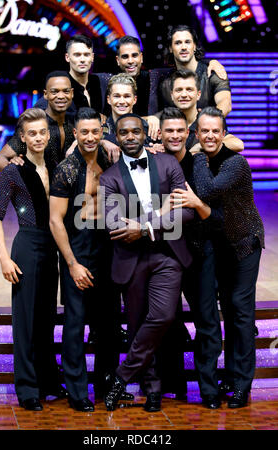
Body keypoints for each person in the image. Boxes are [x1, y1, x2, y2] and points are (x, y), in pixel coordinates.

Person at [100, 113, 194, 412]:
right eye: (124, 133)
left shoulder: (168, 164)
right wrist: (159, 217)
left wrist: (143, 227)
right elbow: (113, 223)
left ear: (145, 134)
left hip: (168, 254)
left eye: (135, 132)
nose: (130, 137)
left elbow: (186, 212)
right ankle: (152, 391)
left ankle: (121, 376)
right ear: (117, 135)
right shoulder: (109, 177)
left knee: (163, 317)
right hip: (131, 260)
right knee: (139, 323)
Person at [175, 106, 265, 408]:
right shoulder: (199, 158)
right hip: (217, 245)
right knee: (221, 310)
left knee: (240, 312)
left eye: (216, 131)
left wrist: (198, 154)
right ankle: (224, 378)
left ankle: (241, 384)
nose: (211, 135)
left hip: (243, 243)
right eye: (205, 131)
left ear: (224, 134)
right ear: (196, 133)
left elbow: (206, 190)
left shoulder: (235, 162)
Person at [49, 107, 131, 412]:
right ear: (75, 134)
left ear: (102, 131)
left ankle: (108, 386)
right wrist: (72, 263)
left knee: (109, 325)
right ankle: (77, 390)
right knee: (75, 324)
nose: (90, 137)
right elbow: (56, 221)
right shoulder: (67, 170)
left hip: (108, 248)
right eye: (84, 132)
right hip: (79, 250)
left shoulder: (111, 161)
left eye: (95, 131)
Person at [0, 108, 67, 411]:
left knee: (47, 318)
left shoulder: (56, 164)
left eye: (42, 132)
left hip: (52, 247)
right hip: (27, 244)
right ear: (22, 137)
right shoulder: (13, 170)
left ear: (49, 135)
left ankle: (48, 380)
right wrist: (4, 259)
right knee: (25, 321)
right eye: (31, 133)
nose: (37, 137)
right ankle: (27, 388)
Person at [157, 107, 224, 408]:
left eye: (179, 130)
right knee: (166, 321)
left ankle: (208, 389)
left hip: (199, 252)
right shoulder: (153, 162)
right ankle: (174, 384)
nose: (174, 135)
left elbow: (210, 210)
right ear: (160, 133)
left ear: (188, 134)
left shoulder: (199, 162)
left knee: (207, 321)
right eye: (168, 130)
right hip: (166, 253)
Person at [0, 71, 75, 173]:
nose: (61, 96)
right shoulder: (36, 123)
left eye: (66, 91)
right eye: (54, 92)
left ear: (72, 93)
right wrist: (16, 171)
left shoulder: (76, 120)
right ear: (46, 94)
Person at [156, 25, 232, 117]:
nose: (184, 47)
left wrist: (206, 121)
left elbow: (225, 104)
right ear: (170, 49)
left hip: (209, 129)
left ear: (195, 46)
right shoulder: (164, 79)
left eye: (187, 42)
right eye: (178, 43)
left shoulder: (212, 72)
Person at [169, 69, 243, 152]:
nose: (184, 95)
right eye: (179, 90)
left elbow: (237, 144)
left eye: (189, 89)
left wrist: (200, 146)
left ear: (198, 95)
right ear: (172, 95)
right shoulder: (164, 123)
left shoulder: (207, 120)